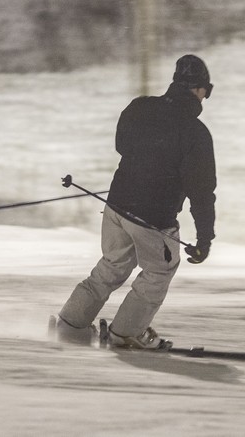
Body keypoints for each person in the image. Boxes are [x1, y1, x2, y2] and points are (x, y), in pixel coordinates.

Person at [56, 54, 216, 349]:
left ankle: (69, 324)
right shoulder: (196, 133)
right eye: (208, 89)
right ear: (198, 89)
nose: (206, 96)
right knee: (158, 272)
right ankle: (126, 333)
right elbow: (202, 193)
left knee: (112, 266)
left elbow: (122, 145)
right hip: (153, 218)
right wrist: (205, 238)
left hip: (117, 205)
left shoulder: (139, 107)